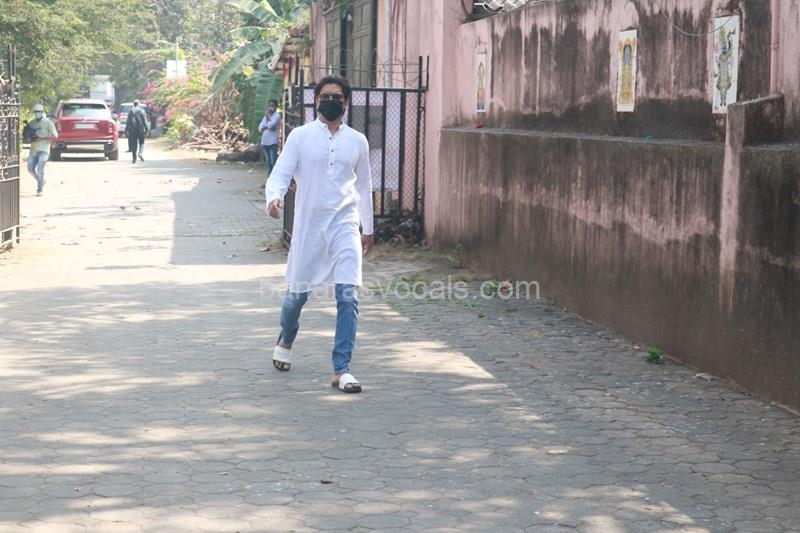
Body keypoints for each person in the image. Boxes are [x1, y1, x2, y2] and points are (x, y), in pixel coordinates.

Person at [266, 75, 373, 394]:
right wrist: (274, 197)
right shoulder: (300, 137)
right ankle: (286, 337)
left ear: (346, 102)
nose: (331, 101)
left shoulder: (357, 140)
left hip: (344, 225)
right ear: (316, 100)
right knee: (296, 297)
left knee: (348, 296)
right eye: (325, 96)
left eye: (337, 97)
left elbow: (364, 186)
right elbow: (281, 173)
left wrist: (368, 228)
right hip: (309, 228)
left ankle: (342, 369)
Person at [26, 104, 58, 196]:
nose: (37, 113)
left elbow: (55, 136)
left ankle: (40, 189)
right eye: (35, 112)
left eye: (39, 112)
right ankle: (41, 181)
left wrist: (42, 138)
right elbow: (27, 137)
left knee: (40, 168)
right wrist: (29, 138)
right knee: (30, 169)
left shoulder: (48, 122)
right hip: (33, 150)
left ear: (42, 112)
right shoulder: (31, 123)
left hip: (44, 150)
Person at [259, 99, 282, 178]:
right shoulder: (265, 117)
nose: (271, 107)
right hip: (265, 142)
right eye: (269, 105)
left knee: (273, 162)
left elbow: (271, 125)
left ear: (276, 107)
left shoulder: (277, 116)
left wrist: (267, 124)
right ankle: (269, 178)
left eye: (272, 106)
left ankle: (275, 177)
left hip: (272, 142)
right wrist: (266, 126)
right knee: (268, 162)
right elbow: (260, 127)